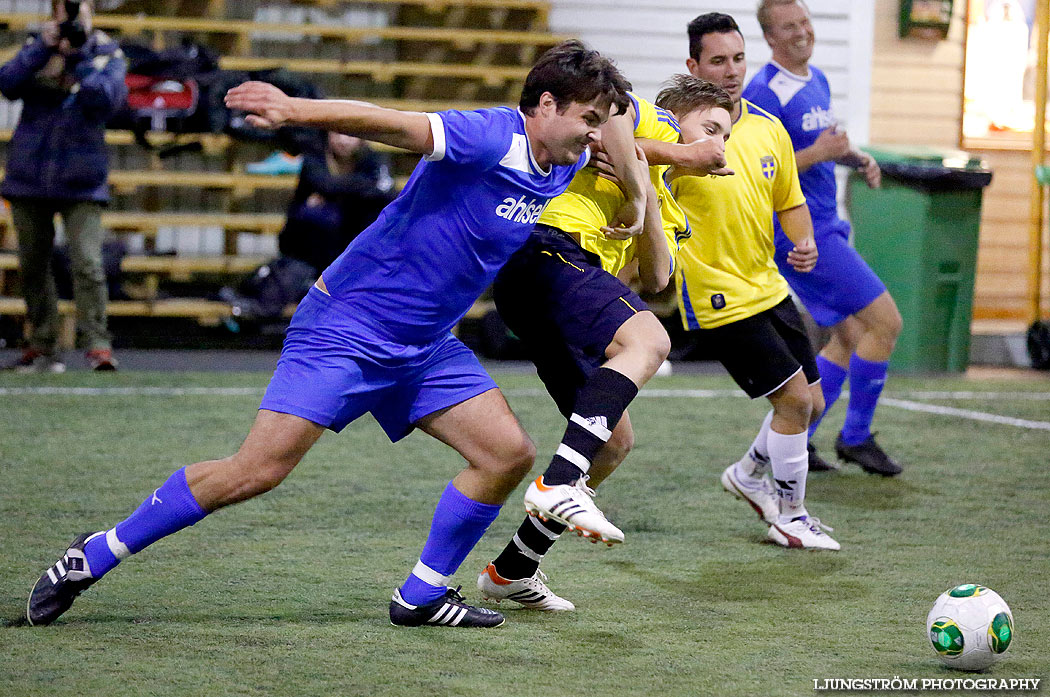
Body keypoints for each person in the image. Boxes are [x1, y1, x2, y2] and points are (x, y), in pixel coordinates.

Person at [24, 40, 632, 629]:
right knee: (255, 472)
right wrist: (294, 111)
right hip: (346, 329)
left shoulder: (569, 158)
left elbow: (636, 150)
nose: (595, 134)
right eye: (588, 118)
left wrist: (681, 158)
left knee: (506, 455)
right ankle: (96, 554)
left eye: (601, 122)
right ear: (545, 105)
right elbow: (390, 122)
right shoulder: (489, 135)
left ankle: (421, 594)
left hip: (425, 347)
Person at [477, 76, 734, 610]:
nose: (718, 147)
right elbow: (610, 121)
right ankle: (558, 482)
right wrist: (667, 161)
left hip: (554, 294)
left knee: (614, 444)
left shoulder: (663, 189)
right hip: (548, 250)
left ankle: (512, 570)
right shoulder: (645, 118)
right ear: (677, 115)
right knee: (650, 341)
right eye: (711, 128)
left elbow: (658, 275)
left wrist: (648, 197)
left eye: (725, 138)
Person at [675, 12, 839, 550]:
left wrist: (804, 239)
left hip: (767, 285)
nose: (731, 70)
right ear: (693, 65)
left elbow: (788, 200)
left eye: (738, 58)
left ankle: (747, 475)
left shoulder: (767, 128)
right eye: (717, 60)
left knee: (811, 404)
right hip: (716, 295)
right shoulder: (672, 132)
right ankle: (790, 516)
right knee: (793, 403)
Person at [743, 0, 903, 476]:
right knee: (886, 324)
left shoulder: (817, 81)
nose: (802, 32)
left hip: (827, 222)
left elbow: (821, 148)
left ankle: (799, 442)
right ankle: (854, 437)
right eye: (789, 27)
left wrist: (853, 156)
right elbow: (760, 170)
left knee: (851, 335)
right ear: (770, 38)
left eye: (805, 22)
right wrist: (820, 151)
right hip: (799, 232)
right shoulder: (762, 93)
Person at [0, 0, 126, 372]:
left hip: (81, 180)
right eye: (63, 9)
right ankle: (42, 345)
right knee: (32, 266)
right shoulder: (37, 44)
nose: (68, 16)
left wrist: (80, 54)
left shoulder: (106, 51)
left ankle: (98, 346)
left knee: (87, 263)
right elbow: (7, 83)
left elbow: (105, 100)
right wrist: (43, 47)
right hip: (30, 176)